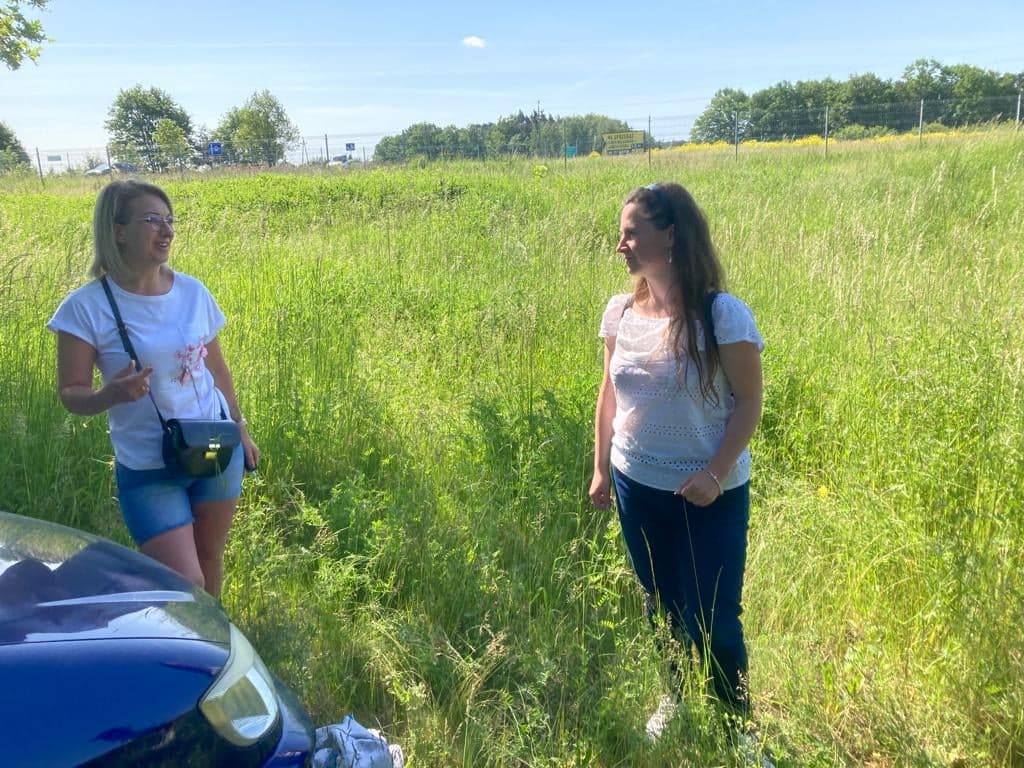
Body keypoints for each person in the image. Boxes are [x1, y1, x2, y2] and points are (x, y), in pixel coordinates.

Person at [588, 182, 770, 760]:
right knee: (659, 603)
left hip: (709, 495)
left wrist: (715, 473)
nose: (621, 244)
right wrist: (600, 467)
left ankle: (739, 730)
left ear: (670, 235)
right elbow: (609, 395)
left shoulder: (721, 315)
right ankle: (674, 697)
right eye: (621, 234)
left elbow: (750, 401)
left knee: (714, 617)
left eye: (632, 233)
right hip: (635, 485)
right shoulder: (620, 312)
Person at [47, 180, 258, 599]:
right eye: (152, 220)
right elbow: (71, 392)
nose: (167, 231)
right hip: (148, 465)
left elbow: (217, 369)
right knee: (184, 581)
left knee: (210, 556)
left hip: (215, 444)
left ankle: (210, 637)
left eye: (170, 220)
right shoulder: (85, 308)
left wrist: (241, 427)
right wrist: (110, 394)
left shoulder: (193, 292)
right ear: (119, 231)